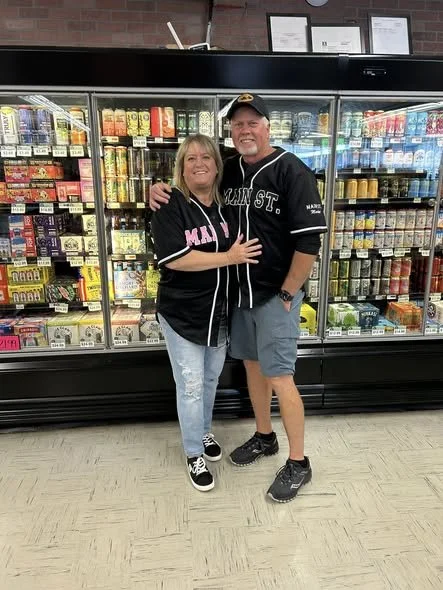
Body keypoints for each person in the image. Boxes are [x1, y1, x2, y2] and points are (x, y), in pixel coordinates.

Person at [150, 94, 327, 502]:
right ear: (230, 132)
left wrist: (288, 291)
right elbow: (191, 176)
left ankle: (299, 462)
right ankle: (265, 436)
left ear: (268, 126)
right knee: (252, 368)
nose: (244, 130)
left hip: (275, 296)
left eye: (252, 122)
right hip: (239, 296)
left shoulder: (292, 171)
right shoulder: (228, 169)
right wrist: (157, 190)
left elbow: (309, 244)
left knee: (281, 375)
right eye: (237, 124)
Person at [150, 133, 262, 493]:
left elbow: (243, 149)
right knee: (192, 386)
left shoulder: (226, 205)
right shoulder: (169, 204)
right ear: (180, 168)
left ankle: (203, 431)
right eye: (190, 159)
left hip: (219, 313)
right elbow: (177, 259)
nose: (199, 164)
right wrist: (229, 257)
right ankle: (193, 451)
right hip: (182, 315)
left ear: (217, 166)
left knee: (211, 381)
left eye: (206, 158)